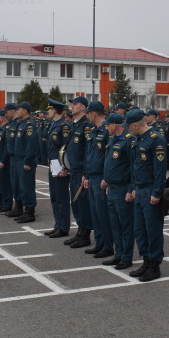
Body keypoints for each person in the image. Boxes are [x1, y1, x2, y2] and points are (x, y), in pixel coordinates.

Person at [126, 109, 167, 282]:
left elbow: (160, 170)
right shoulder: (138, 139)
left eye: (128, 126)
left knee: (153, 229)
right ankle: (146, 261)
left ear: (135, 125)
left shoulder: (156, 140)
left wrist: (157, 192)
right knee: (140, 229)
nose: (128, 130)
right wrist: (133, 187)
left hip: (150, 189)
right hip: (140, 188)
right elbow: (136, 166)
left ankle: (154, 265)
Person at [101, 113, 135, 270]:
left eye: (108, 125)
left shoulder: (128, 141)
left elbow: (133, 167)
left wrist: (131, 189)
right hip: (112, 188)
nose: (106, 127)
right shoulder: (112, 140)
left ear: (114, 125)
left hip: (123, 188)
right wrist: (107, 180)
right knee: (114, 224)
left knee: (125, 225)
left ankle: (126, 257)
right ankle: (118, 254)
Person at [60, 96, 94, 248]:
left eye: (75, 104)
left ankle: (85, 235)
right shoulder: (74, 125)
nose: (72, 106)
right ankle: (80, 231)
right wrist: (66, 166)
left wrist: (85, 173)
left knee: (83, 203)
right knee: (76, 203)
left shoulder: (86, 126)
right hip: (73, 170)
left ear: (83, 107)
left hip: (81, 170)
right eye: (72, 104)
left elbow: (88, 152)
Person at [82, 101, 114, 258]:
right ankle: (99, 243)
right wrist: (86, 174)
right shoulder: (93, 131)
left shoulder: (107, 131)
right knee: (95, 213)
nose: (87, 116)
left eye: (88, 113)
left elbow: (109, 157)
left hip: (101, 176)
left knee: (102, 214)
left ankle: (108, 245)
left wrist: (107, 178)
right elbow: (89, 154)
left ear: (94, 113)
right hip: (92, 175)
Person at [46, 99, 71, 238]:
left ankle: (64, 227)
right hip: (52, 163)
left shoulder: (64, 126)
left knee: (62, 197)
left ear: (54, 110)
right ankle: (58, 225)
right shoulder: (53, 125)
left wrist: (65, 167)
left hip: (60, 165)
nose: (48, 112)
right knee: (54, 196)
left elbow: (66, 148)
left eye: (49, 110)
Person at [14, 102, 38, 223]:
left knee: (27, 186)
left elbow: (30, 145)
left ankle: (30, 212)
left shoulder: (29, 125)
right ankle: (24, 210)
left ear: (25, 110)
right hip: (19, 159)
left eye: (19, 109)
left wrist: (27, 161)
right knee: (22, 186)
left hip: (25, 159)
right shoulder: (22, 123)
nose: (17, 111)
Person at [4, 104, 24, 218]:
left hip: (18, 157)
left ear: (13, 111)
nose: (5, 114)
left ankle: (21, 207)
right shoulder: (11, 124)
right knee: (14, 184)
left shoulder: (19, 123)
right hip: (12, 157)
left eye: (7, 112)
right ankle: (17, 206)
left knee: (20, 184)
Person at [0, 110, 13, 212]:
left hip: (4, 160)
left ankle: (7, 204)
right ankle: (3, 203)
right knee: (1, 183)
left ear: (1, 118)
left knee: (6, 183)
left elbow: (6, 147)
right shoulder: (0, 129)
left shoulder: (6, 129)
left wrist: (3, 160)